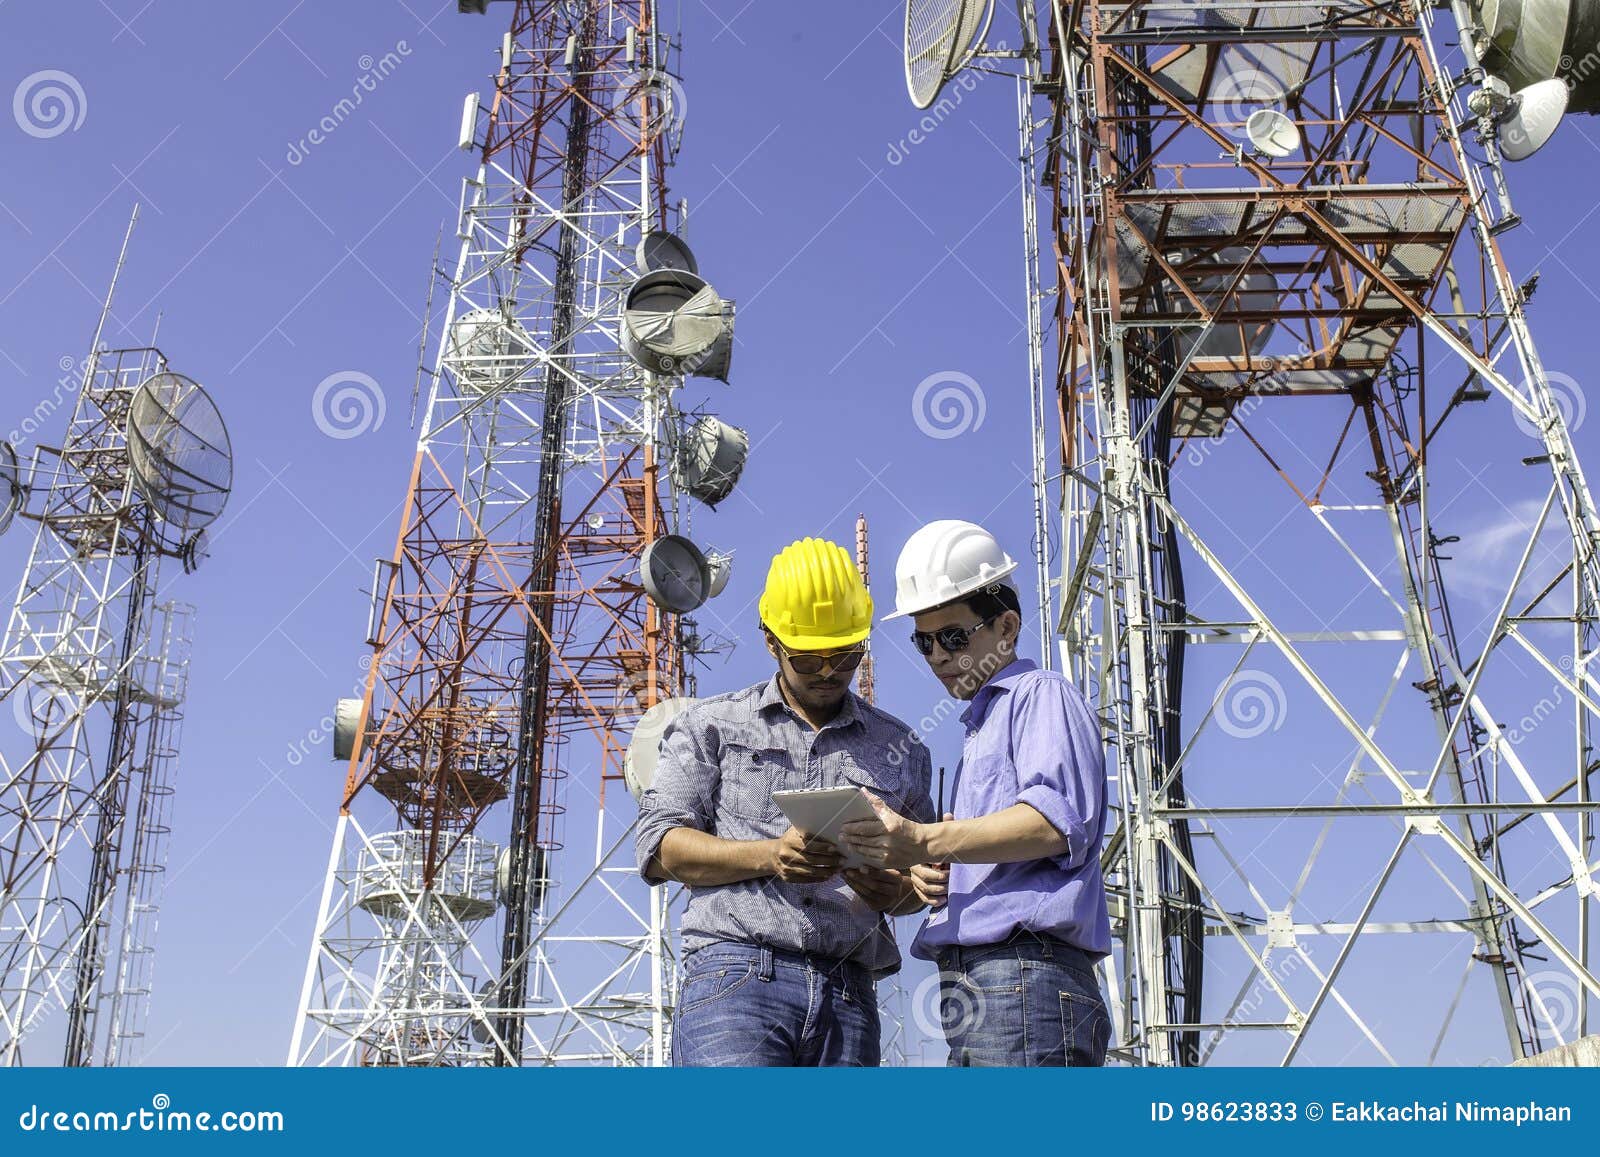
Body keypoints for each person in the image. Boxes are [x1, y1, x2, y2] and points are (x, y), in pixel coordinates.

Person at [636, 536, 935, 1066]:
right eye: (809, 659)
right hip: (735, 978)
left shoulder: (902, 749)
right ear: (771, 641)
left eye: (845, 656)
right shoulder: (711, 725)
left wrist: (889, 889)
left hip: (850, 991)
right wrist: (771, 855)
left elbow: (919, 887)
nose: (828, 673)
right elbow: (661, 849)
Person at [839, 519, 1112, 1066]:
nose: (937, 654)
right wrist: (933, 869)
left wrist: (923, 840)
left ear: (1006, 626)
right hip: (984, 985)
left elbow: (1054, 825)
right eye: (924, 641)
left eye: (953, 636)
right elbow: (998, 843)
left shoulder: (1041, 696)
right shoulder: (982, 726)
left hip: (1024, 978)